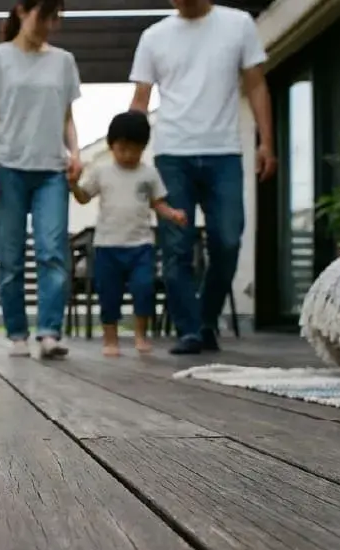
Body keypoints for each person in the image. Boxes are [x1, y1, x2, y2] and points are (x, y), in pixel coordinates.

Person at [128, 0, 276, 354]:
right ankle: (190, 330)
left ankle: (206, 319)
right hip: (171, 154)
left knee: (227, 240)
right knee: (176, 248)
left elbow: (256, 85)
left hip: (223, 151)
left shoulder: (238, 24)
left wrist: (266, 142)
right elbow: (140, 100)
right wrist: (128, 158)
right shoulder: (154, 36)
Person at [0, 0, 82, 359]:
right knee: (10, 256)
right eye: (43, 16)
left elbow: (67, 116)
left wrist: (76, 153)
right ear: (21, 11)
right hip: (7, 167)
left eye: (55, 18)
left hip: (51, 170)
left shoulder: (63, 61)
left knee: (52, 252)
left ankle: (49, 332)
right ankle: (17, 334)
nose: (49, 24)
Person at [69, 111, 188, 357]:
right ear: (112, 146)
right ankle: (110, 339)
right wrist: (72, 185)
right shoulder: (102, 172)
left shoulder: (148, 174)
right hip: (107, 246)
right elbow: (83, 197)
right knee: (108, 294)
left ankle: (141, 336)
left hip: (140, 245)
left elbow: (158, 203)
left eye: (134, 150)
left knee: (144, 288)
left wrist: (173, 214)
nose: (127, 155)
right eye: (122, 149)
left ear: (143, 148)